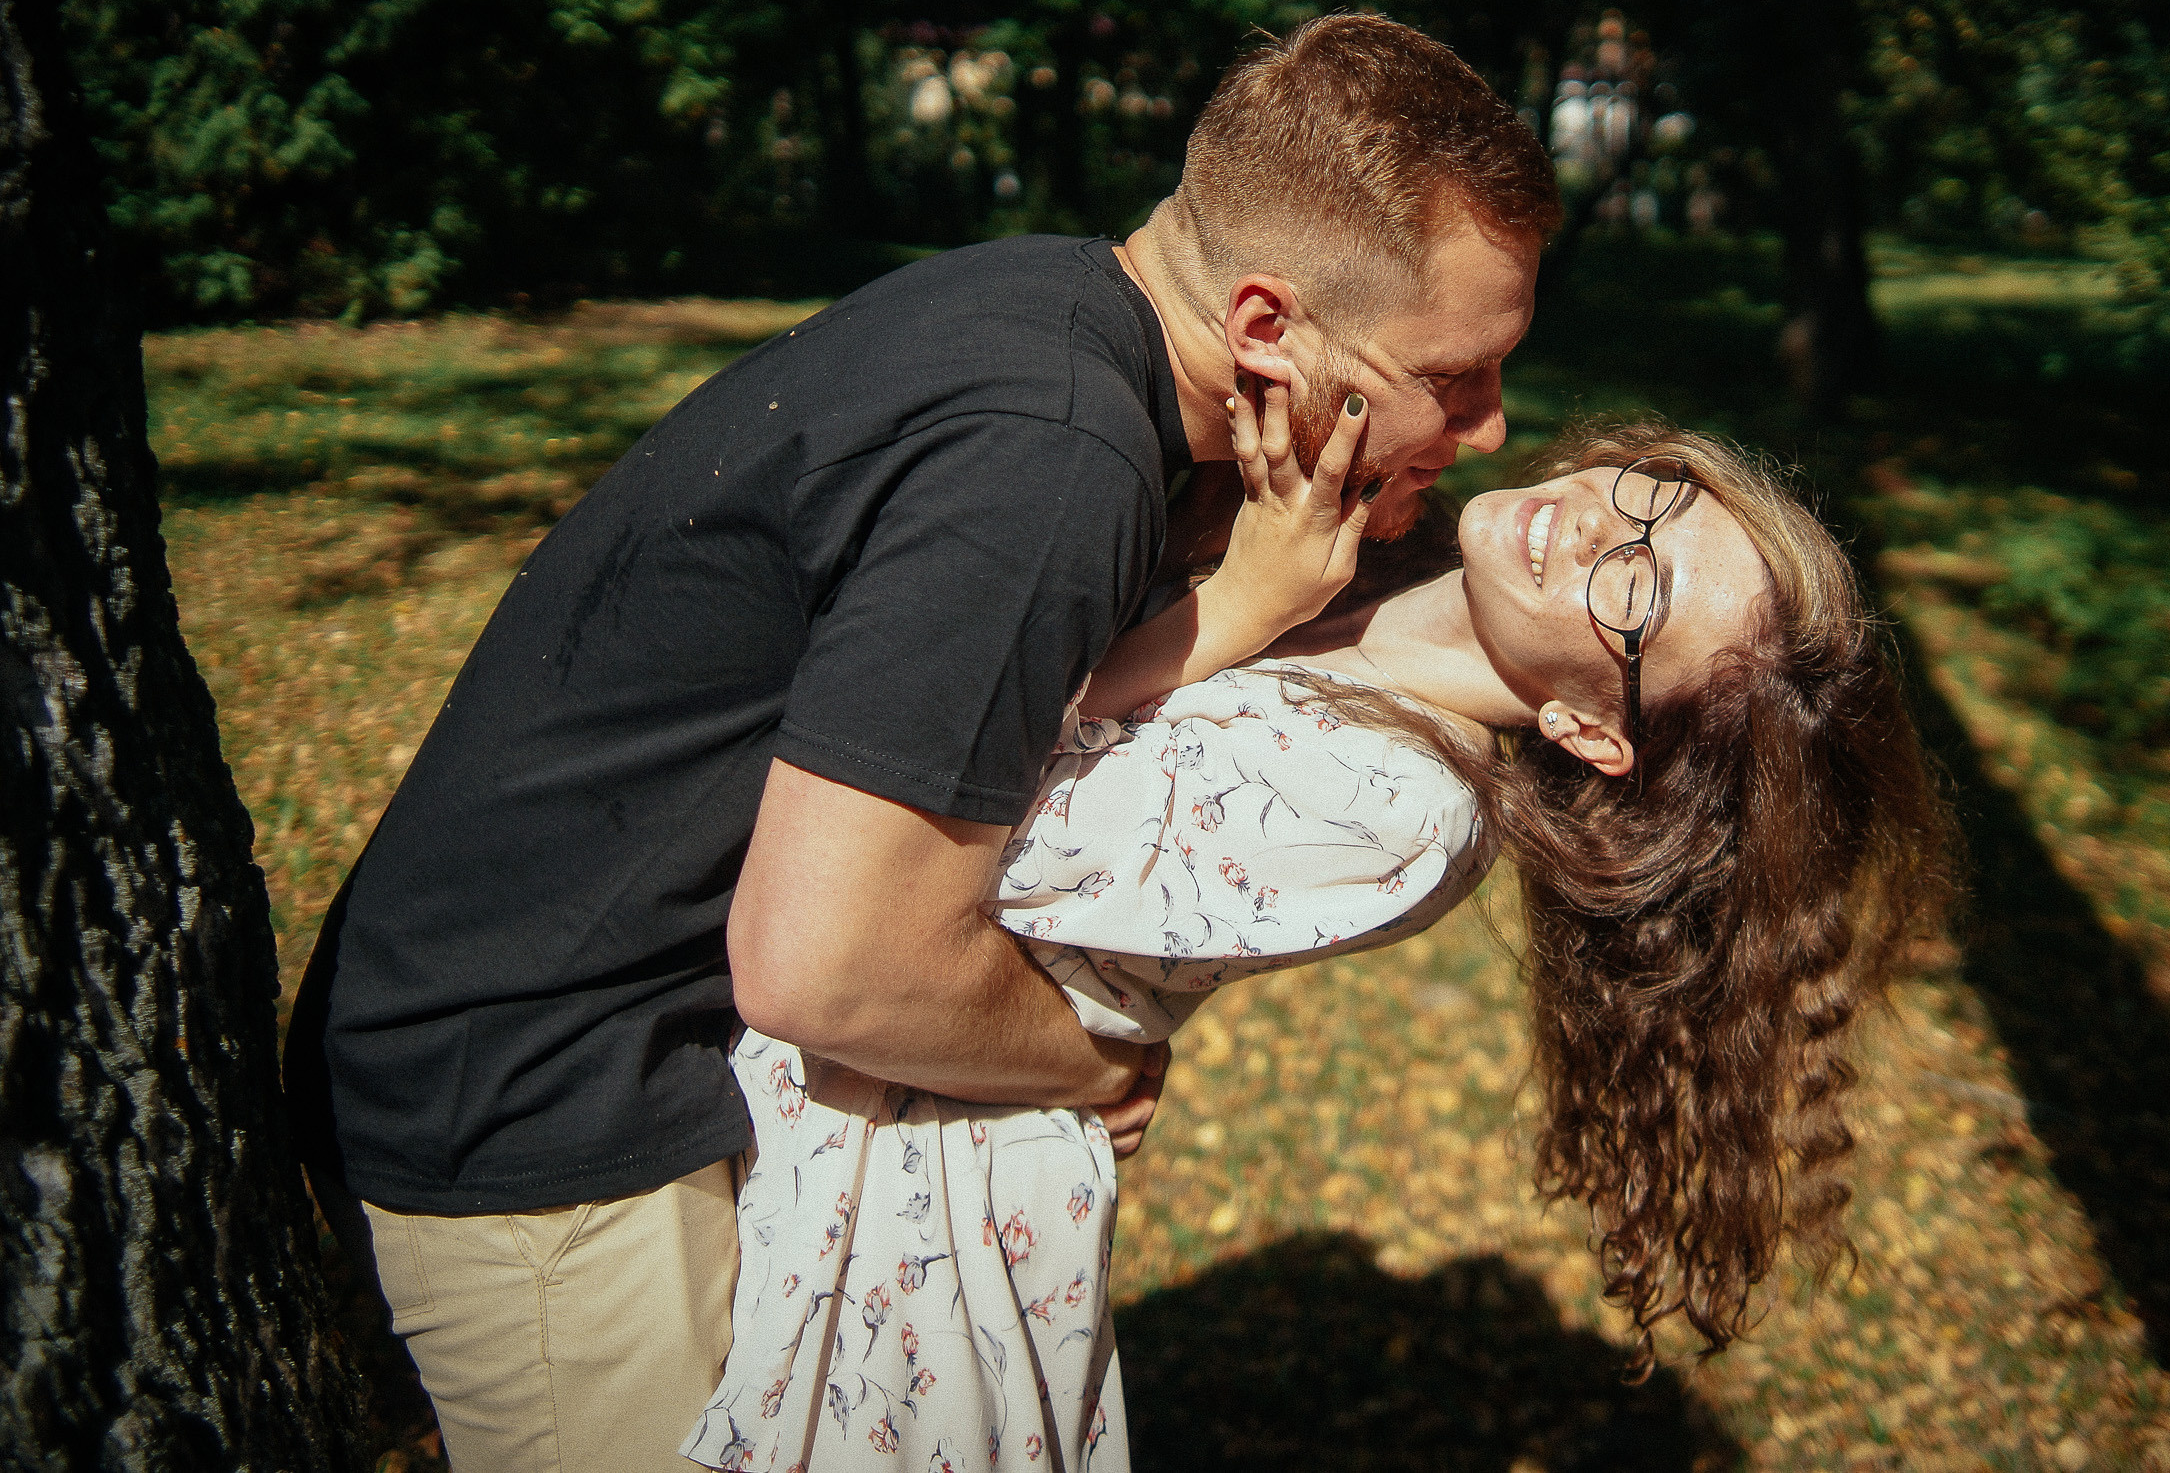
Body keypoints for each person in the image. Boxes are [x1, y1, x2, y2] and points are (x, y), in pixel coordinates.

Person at [281, 12, 1562, 1473]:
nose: (1492, 421)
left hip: (524, 1038)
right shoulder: (1052, 450)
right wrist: (1087, 1063)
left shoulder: (1050, 313)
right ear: (1266, 327)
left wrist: (1239, 605)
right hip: (540, 1105)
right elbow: (831, 960)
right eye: (1454, 376)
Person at [683, 415, 1956, 1472]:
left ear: (1590, 733)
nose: (1586, 520)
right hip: (787, 1034)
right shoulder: (1356, 560)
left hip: (893, 1176)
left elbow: (954, 809)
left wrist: (1236, 603)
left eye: (1635, 588)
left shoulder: (1400, 812)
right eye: (1650, 498)